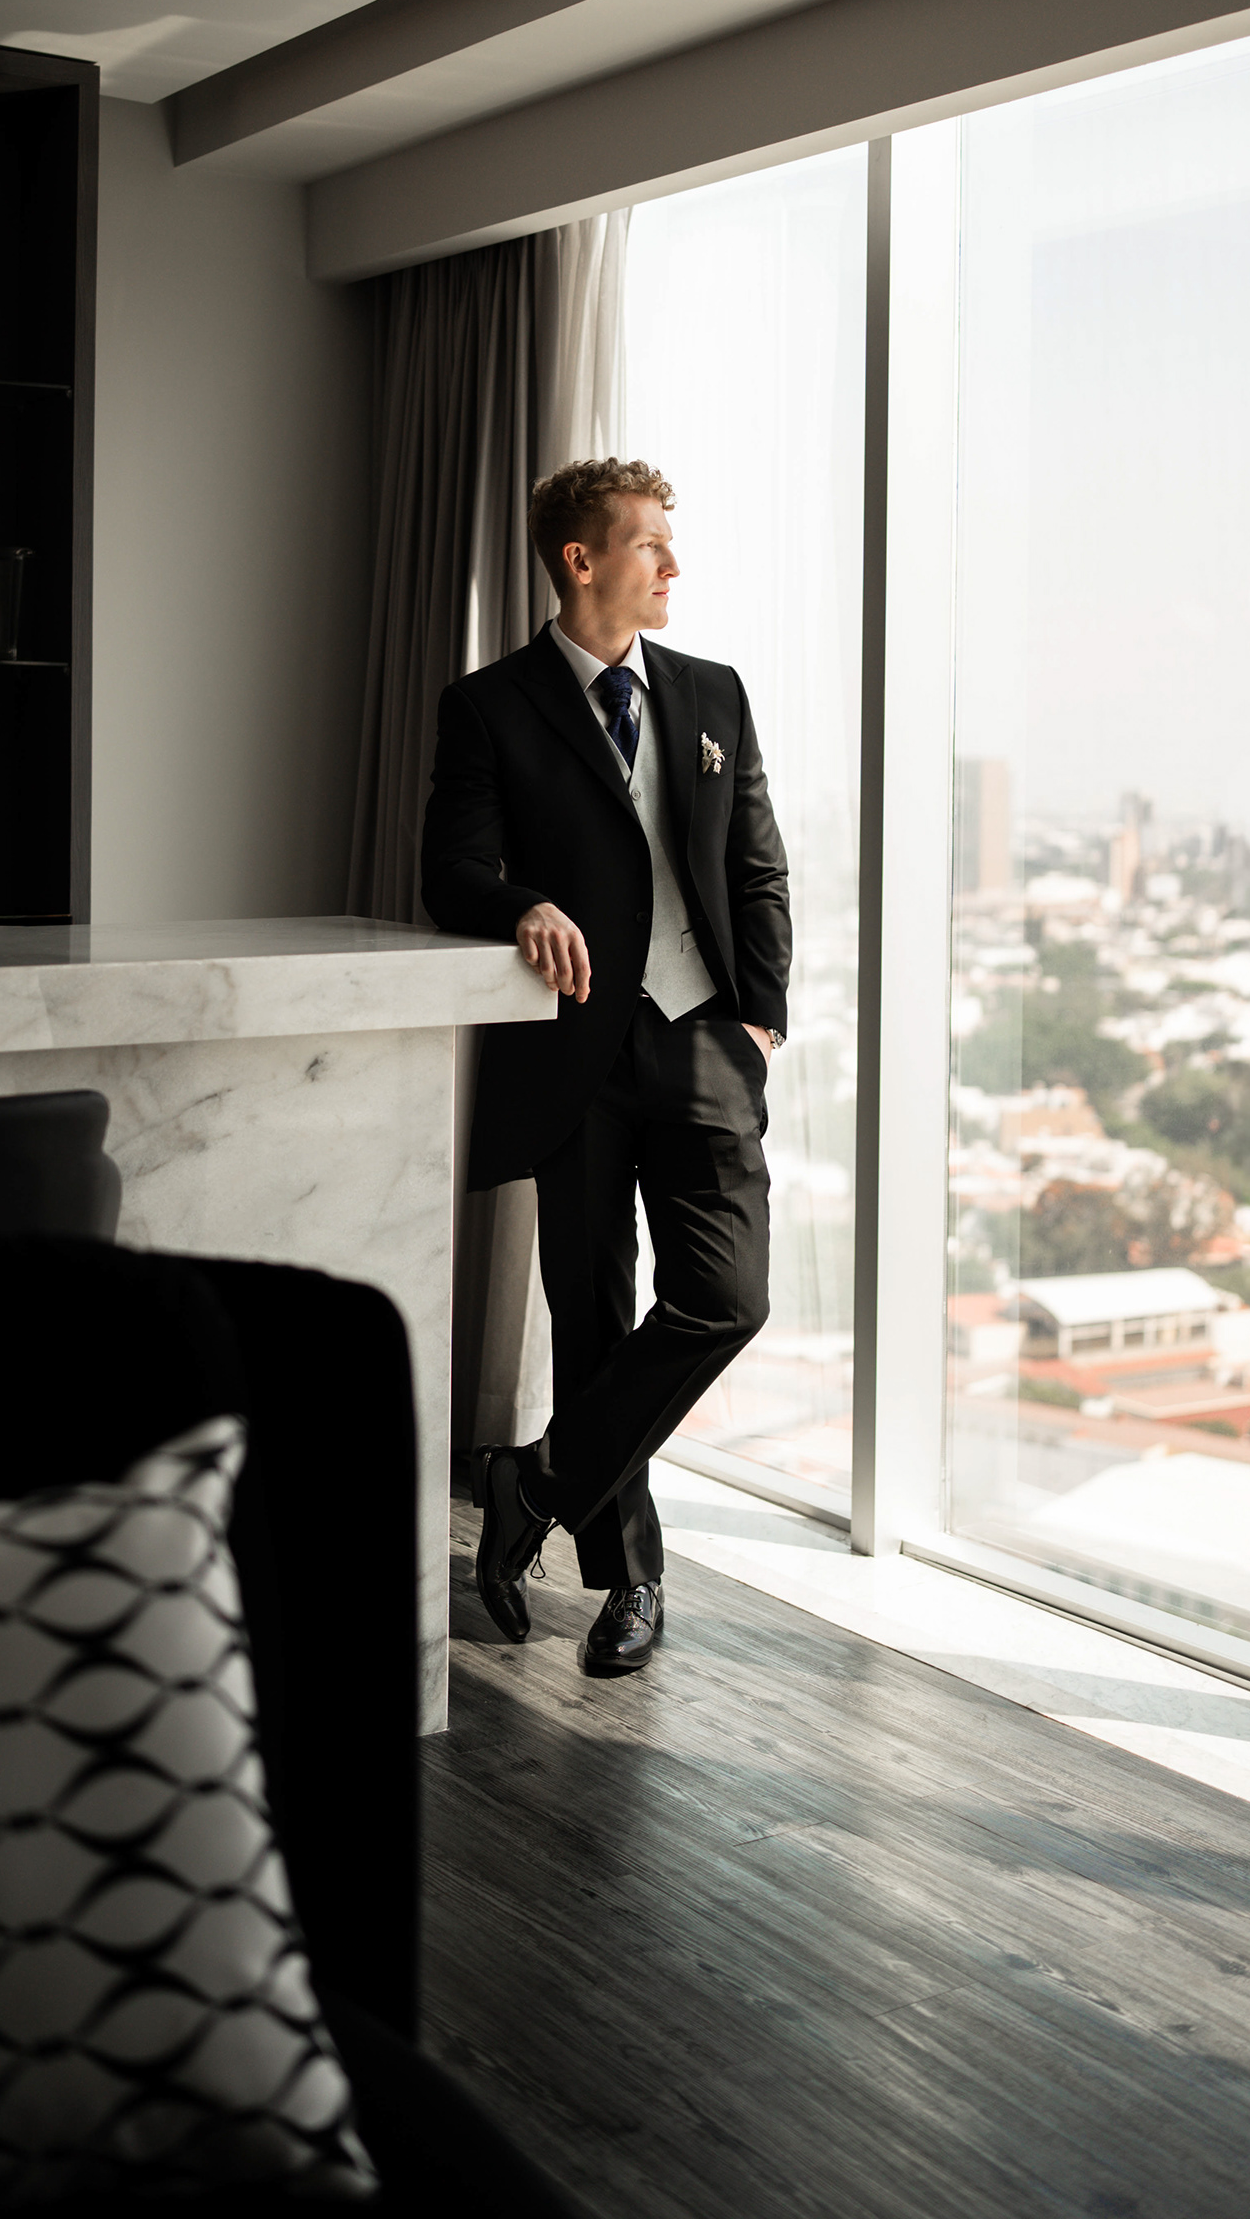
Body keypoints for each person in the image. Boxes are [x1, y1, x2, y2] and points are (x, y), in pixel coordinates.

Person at [419, 457, 791, 1675]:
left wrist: (762, 1021)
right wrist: (522, 902)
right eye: (651, 545)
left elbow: (755, 866)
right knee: (590, 1317)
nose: (674, 565)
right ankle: (630, 1581)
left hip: (701, 1039)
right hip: (572, 1053)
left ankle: (533, 1481)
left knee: (725, 1300)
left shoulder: (712, 694)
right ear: (582, 561)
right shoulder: (490, 706)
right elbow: (453, 869)